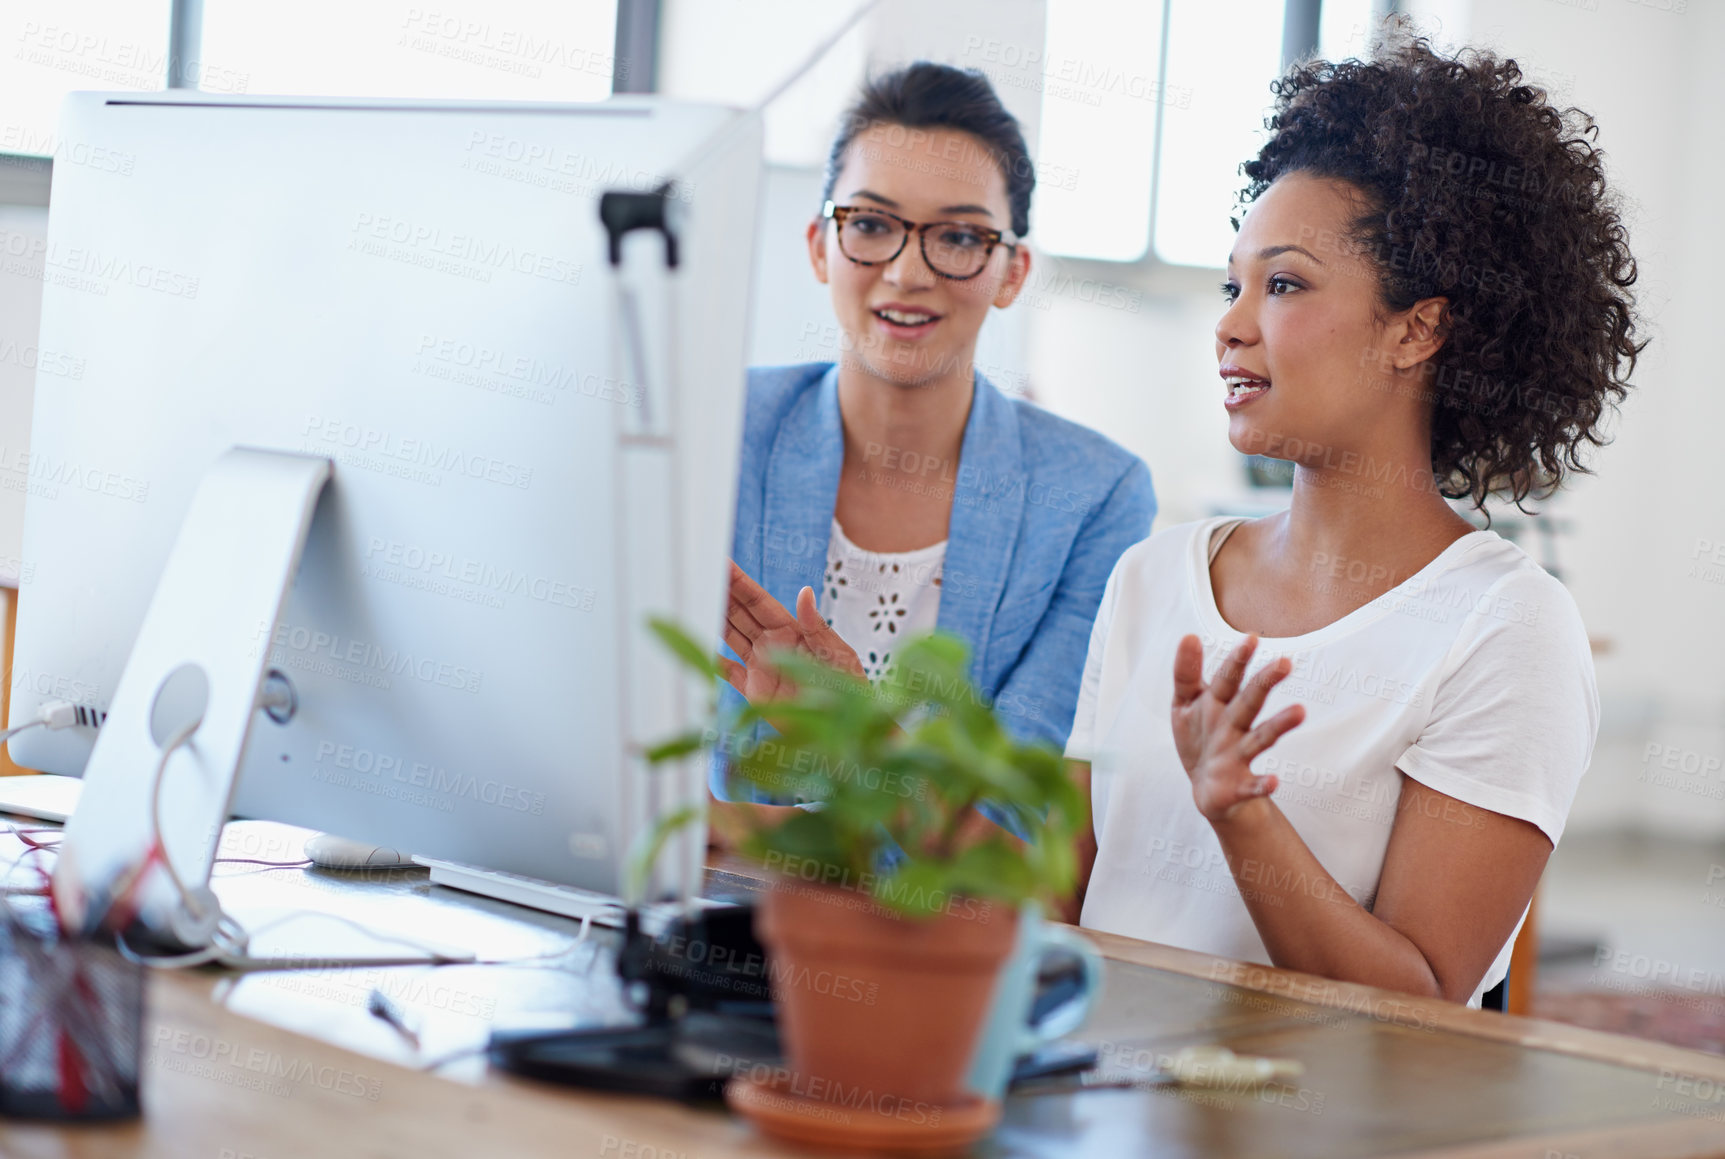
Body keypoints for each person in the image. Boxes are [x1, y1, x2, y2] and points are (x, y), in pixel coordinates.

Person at [1067, 35, 1641, 1005]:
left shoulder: (1505, 629)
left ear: (1417, 328)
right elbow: (1052, 904)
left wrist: (1244, 814)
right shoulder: (1152, 578)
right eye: (1233, 283)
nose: (1232, 323)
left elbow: (1421, 1007)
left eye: (1283, 284)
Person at [714, 62, 1155, 834]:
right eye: (873, 224)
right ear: (820, 245)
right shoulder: (721, 432)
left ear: (1010, 271)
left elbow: (1008, 837)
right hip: (703, 932)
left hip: (941, 950)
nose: (907, 271)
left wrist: (857, 743)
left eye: (957, 236)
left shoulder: (1094, 497)